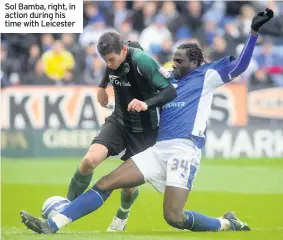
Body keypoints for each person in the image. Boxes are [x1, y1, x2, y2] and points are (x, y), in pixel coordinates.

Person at [20, 8, 274, 234]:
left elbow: (240, 66)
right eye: (173, 59)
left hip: (184, 150)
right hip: (157, 148)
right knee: (106, 182)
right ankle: (51, 226)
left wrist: (252, 32)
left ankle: (226, 223)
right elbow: (126, 66)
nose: (173, 64)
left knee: (174, 217)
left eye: (179, 61)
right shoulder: (168, 82)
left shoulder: (207, 75)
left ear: (194, 62)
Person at [66, 33, 176, 231]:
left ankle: (122, 216)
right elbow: (111, 66)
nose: (109, 64)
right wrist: (102, 86)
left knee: (127, 188)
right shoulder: (113, 60)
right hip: (119, 120)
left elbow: (170, 91)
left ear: (124, 50)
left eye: (111, 59)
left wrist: (146, 103)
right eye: (105, 60)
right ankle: (65, 208)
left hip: (145, 131)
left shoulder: (143, 61)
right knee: (89, 160)